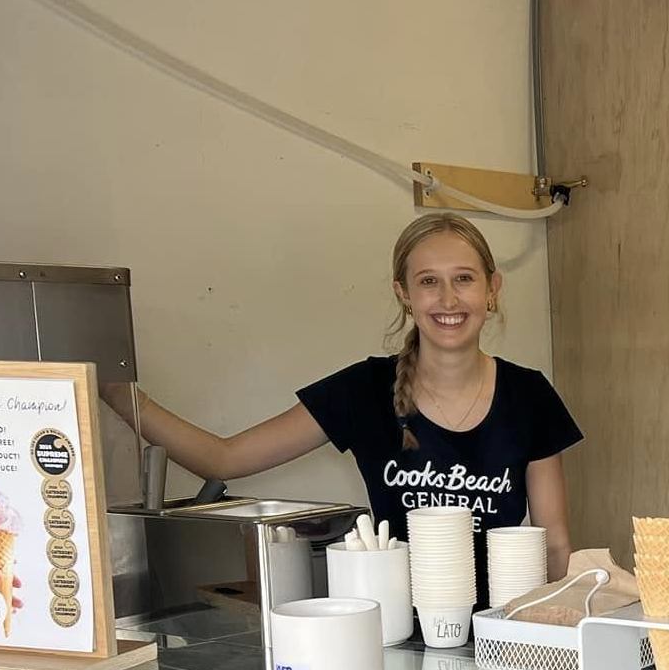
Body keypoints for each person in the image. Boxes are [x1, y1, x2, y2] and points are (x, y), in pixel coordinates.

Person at [113, 213, 582, 604]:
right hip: (392, 632)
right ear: (404, 294)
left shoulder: (529, 395)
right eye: (428, 282)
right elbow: (223, 459)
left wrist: (549, 637)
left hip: (504, 629)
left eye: (464, 279)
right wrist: (114, 391)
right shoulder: (363, 389)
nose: (448, 299)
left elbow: (555, 544)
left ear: (492, 288)